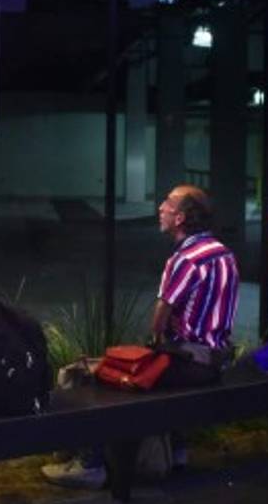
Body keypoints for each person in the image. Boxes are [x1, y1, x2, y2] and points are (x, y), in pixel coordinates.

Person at [41, 184, 240, 488]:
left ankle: (90, 463)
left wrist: (155, 341)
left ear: (181, 218)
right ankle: (177, 450)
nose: (160, 208)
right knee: (158, 372)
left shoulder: (184, 258)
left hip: (191, 361)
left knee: (105, 377)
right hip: (217, 359)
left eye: (168, 204)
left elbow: (161, 314)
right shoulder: (224, 253)